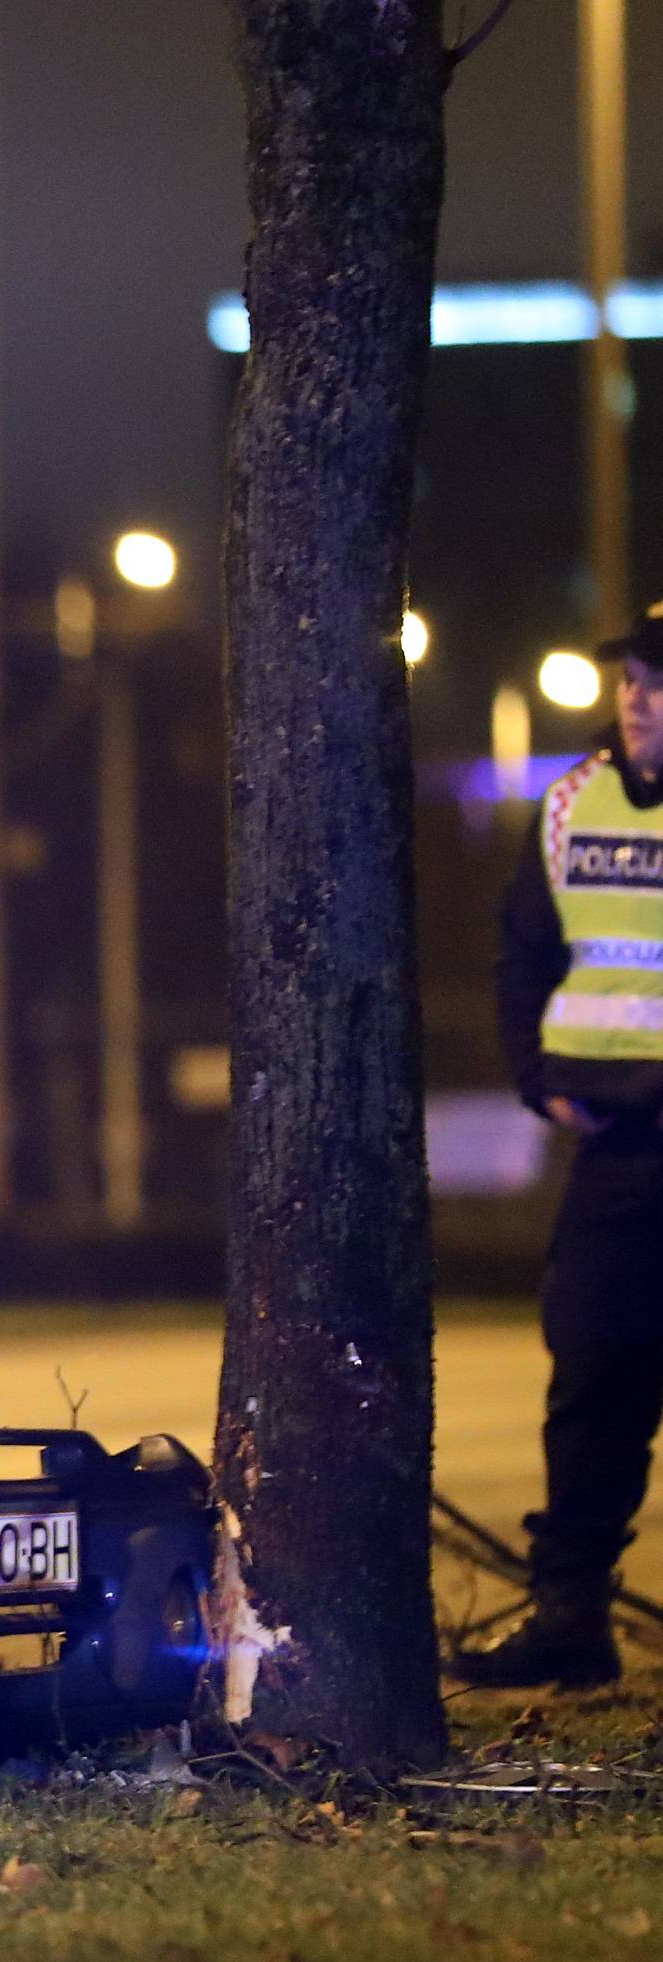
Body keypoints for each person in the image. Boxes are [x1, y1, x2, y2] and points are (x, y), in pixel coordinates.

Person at [457, 601, 663, 1689]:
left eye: (657, 680)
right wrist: (541, 1080)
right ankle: (571, 1617)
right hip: (621, 1151)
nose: (637, 695)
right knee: (590, 1375)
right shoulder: (574, 805)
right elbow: (522, 955)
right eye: (632, 676)